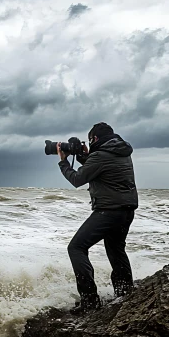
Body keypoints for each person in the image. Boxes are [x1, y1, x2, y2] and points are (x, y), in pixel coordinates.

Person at [56, 122, 138, 315]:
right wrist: (86, 156)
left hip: (109, 211)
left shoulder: (100, 155)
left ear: (94, 139)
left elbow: (77, 179)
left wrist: (63, 161)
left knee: (76, 248)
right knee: (116, 249)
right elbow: (101, 169)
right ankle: (124, 294)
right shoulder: (122, 152)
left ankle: (90, 301)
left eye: (90, 139)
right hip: (127, 210)